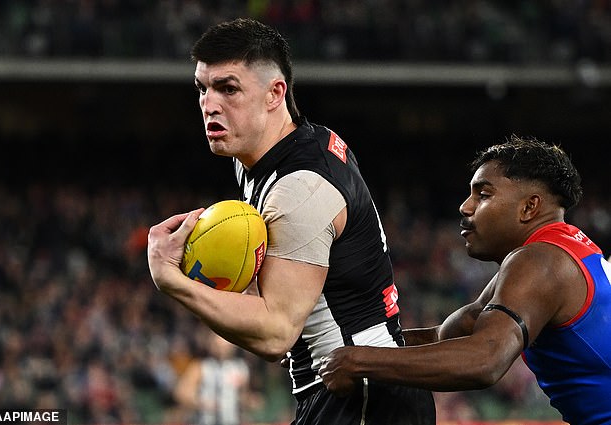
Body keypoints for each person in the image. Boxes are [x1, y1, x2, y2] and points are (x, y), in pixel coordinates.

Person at [147, 17, 435, 425]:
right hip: (346, 384)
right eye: (202, 88)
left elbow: (276, 331)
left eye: (228, 88)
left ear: (274, 93)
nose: (209, 104)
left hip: (365, 392)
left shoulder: (301, 185)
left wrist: (171, 279)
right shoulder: (268, 156)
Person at [319, 136, 611, 424]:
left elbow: (485, 360)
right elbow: (442, 338)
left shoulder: (541, 260)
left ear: (529, 207)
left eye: (483, 195)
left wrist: (358, 362)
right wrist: (335, 347)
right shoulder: (567, 250)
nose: (465, 207)